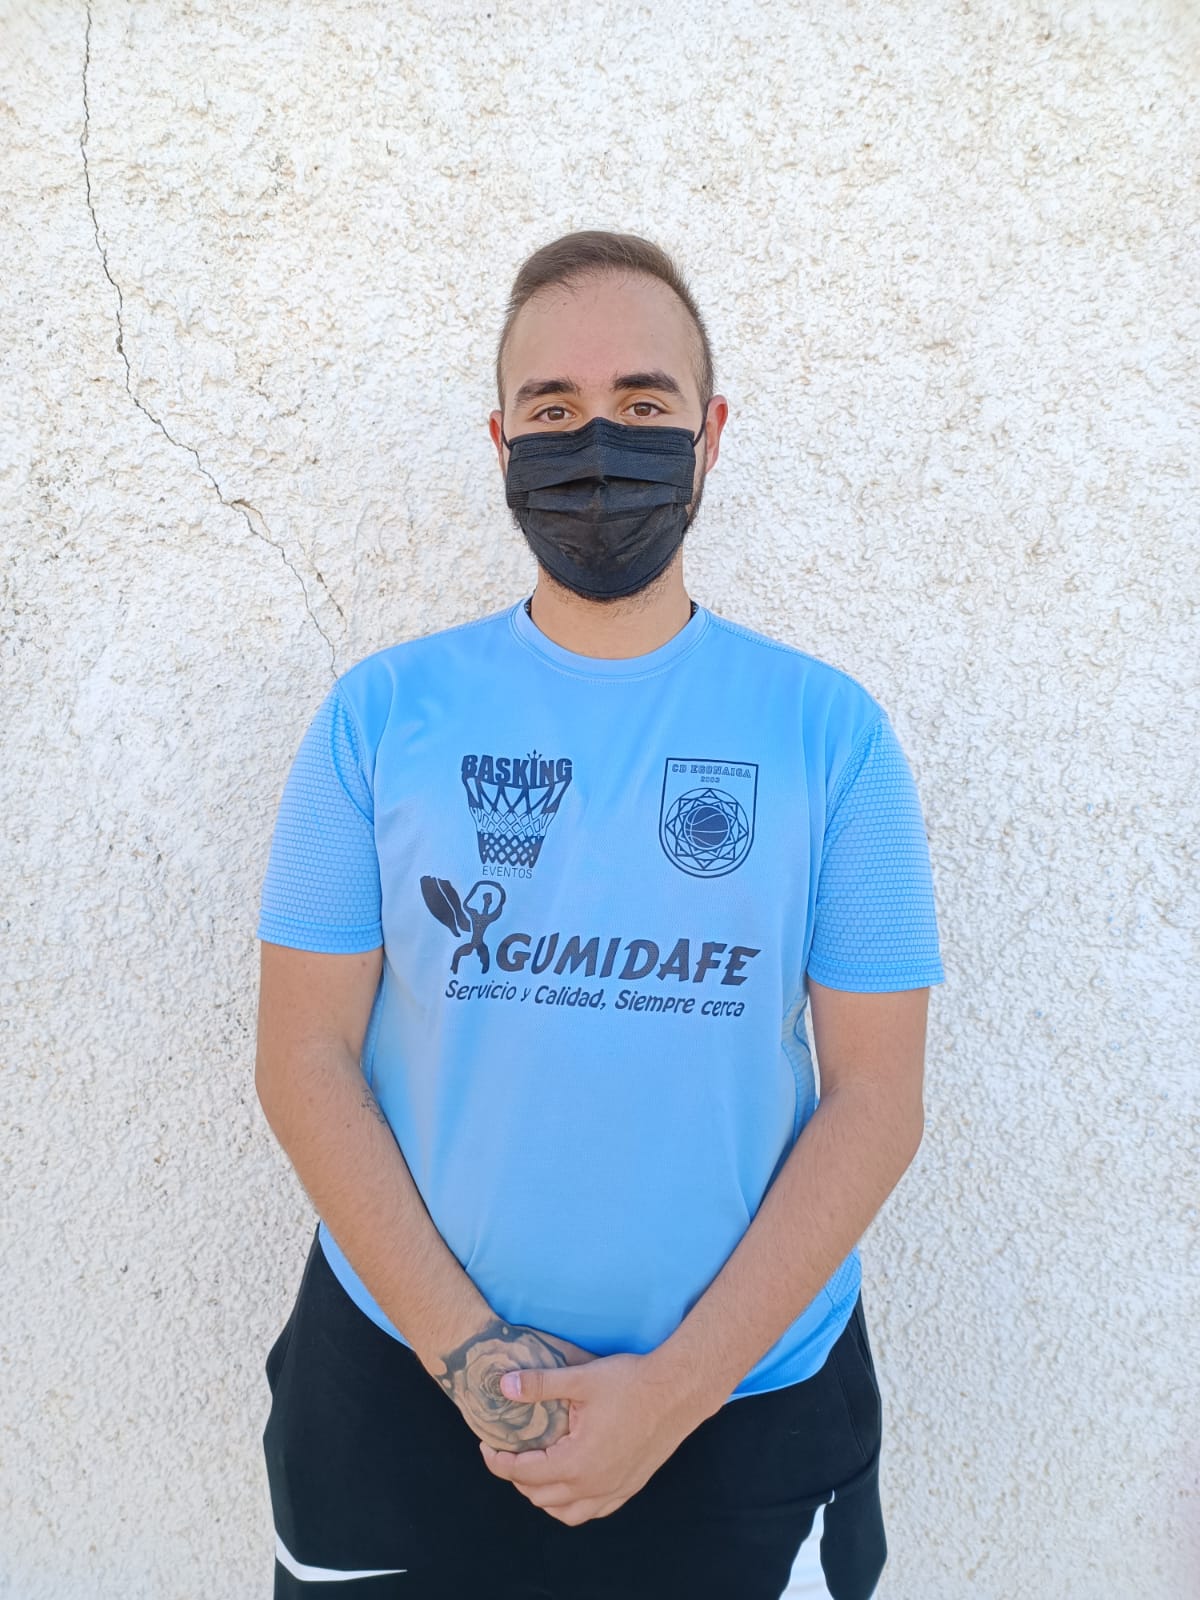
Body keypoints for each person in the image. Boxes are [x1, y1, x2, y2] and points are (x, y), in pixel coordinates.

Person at [254, 229, 946, 1600]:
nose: (597, 443)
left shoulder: (831, 734)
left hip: (745, 1415)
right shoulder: (379, 718)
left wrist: (674, 1393)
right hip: (400, 1398)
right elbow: (303, 1060)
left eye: (643, 402)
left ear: (711, 436)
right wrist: (478, 1363)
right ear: (501, 441)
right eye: (555, 410)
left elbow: (877, 1099)